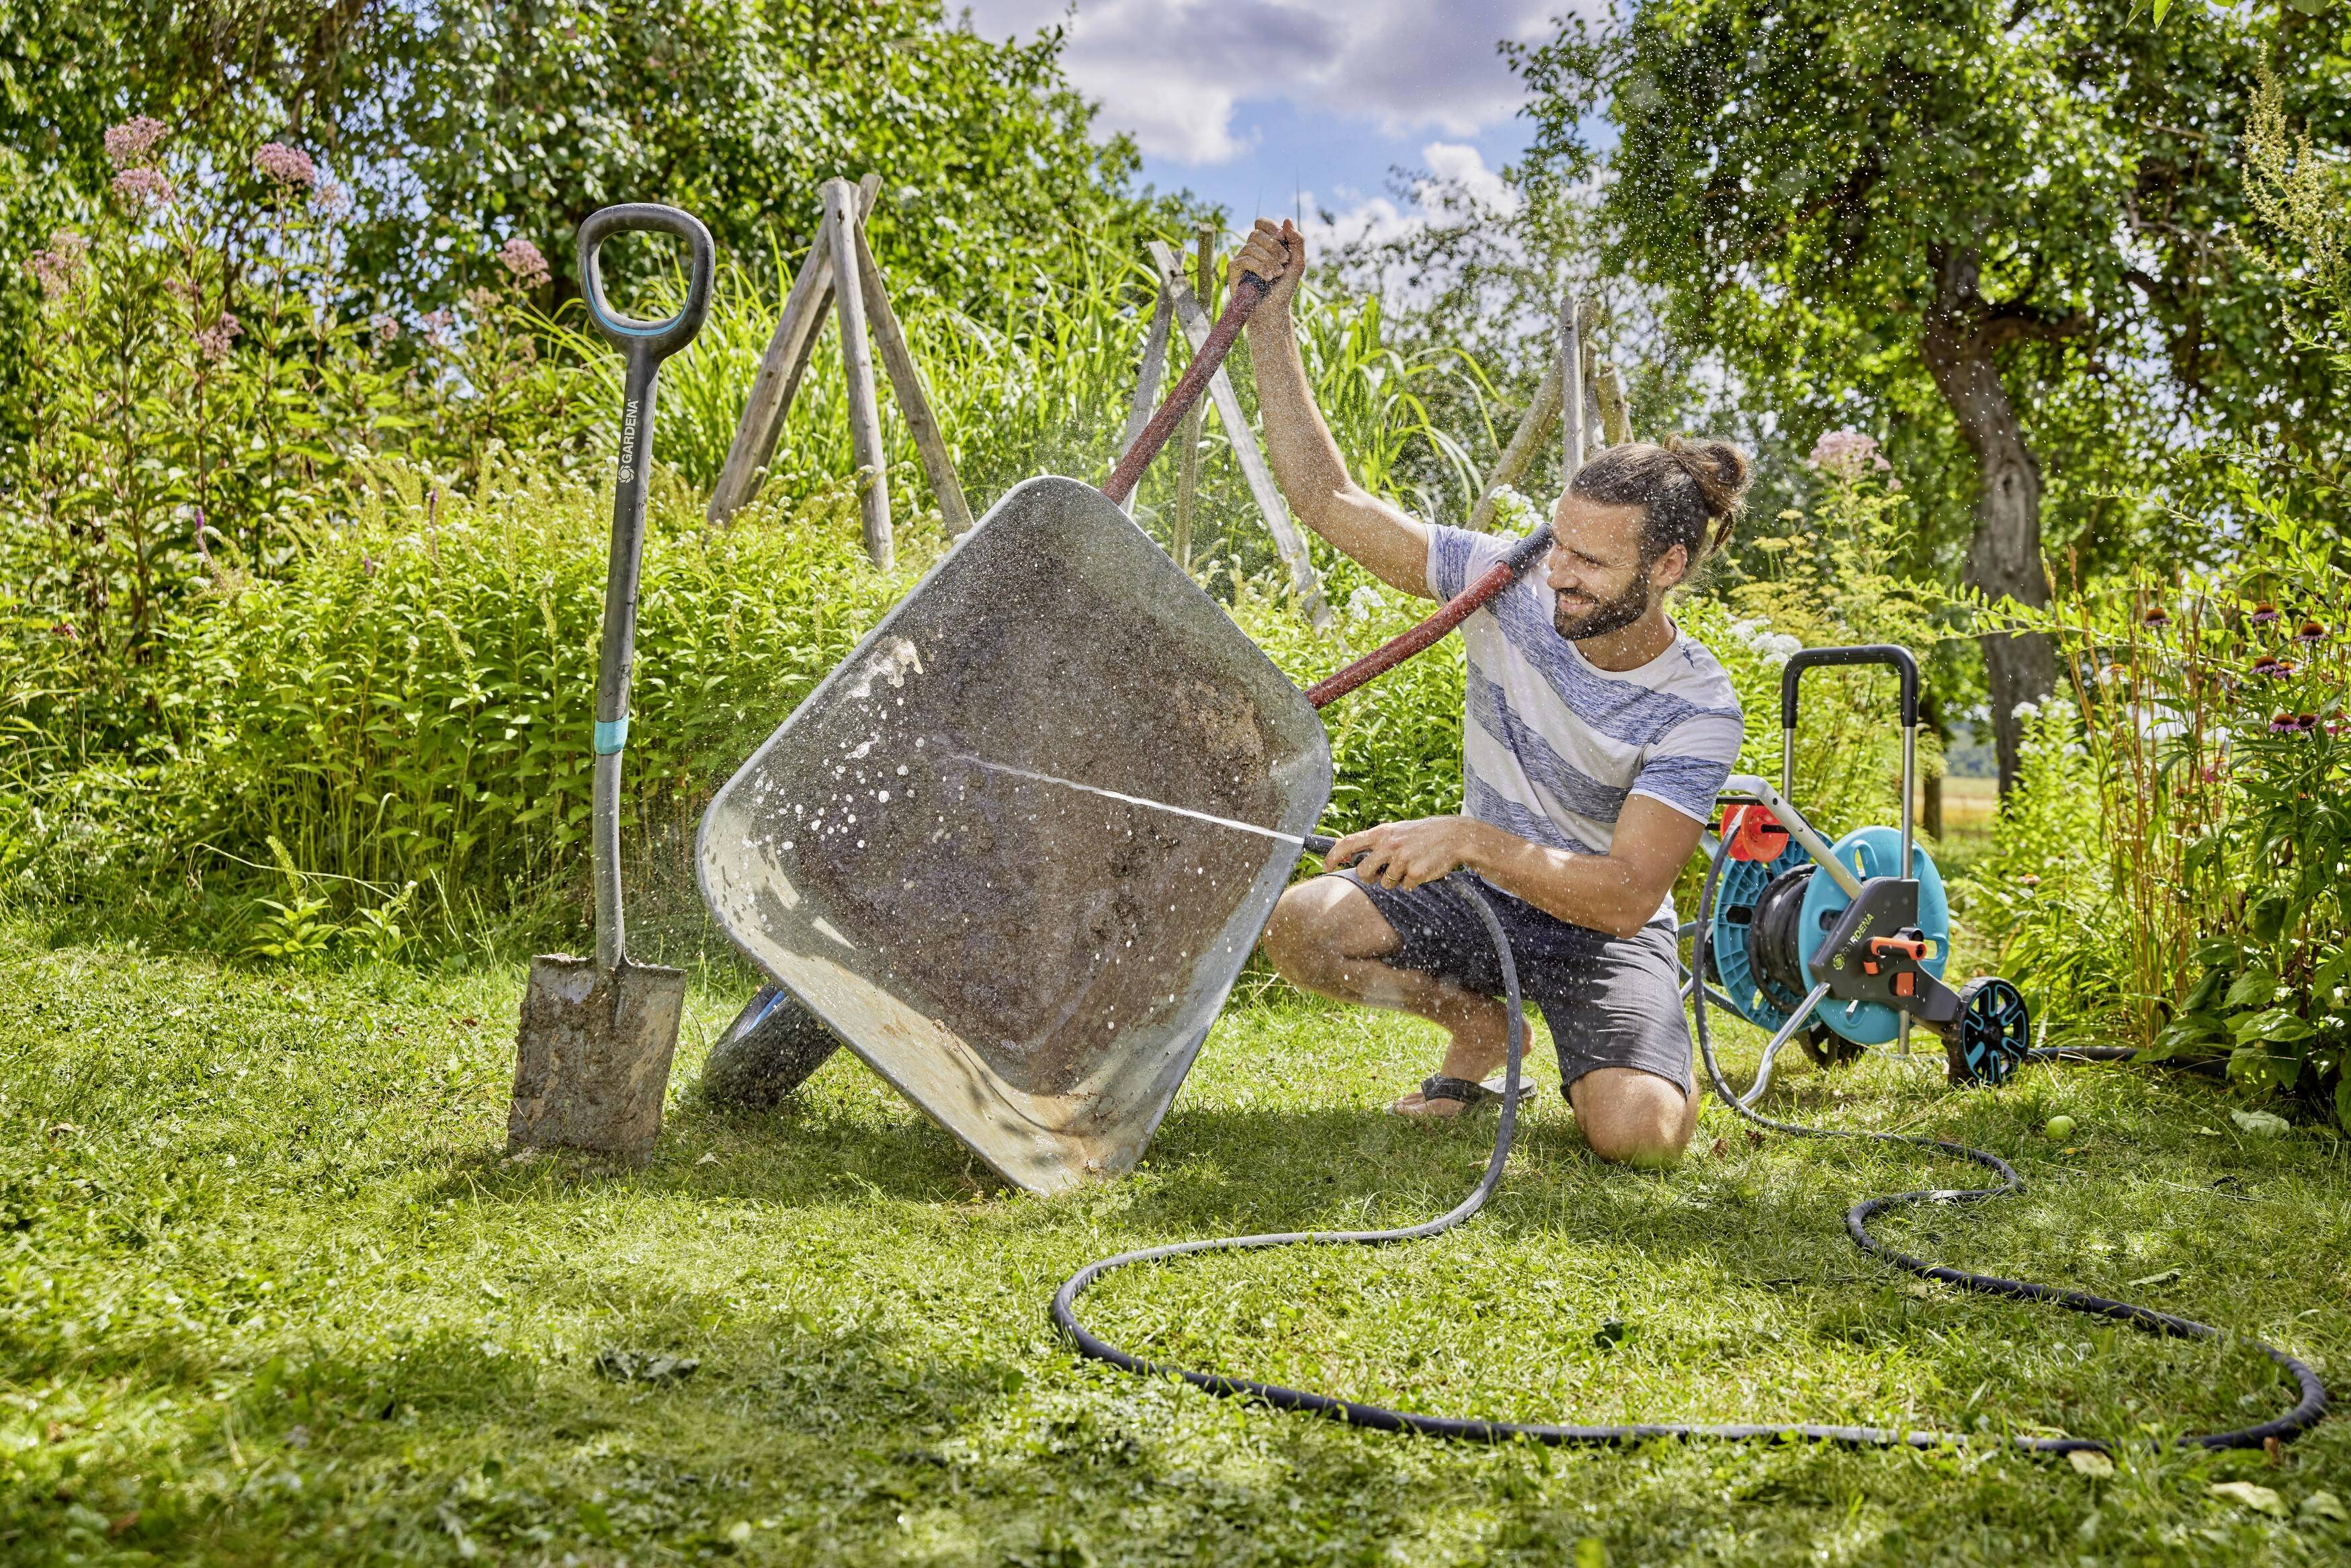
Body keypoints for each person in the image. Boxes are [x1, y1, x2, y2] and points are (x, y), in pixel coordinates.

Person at [1236, 218, 1750, 1166]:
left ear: (1669, 566)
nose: (1559, 576)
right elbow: (1329, 501)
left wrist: (1469, 837)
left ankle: (1618, 1038)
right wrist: (1271, 326)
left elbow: (1631, 892)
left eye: (1593, 563)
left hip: (1602, 929)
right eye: (1560, 545)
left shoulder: (1698, 704)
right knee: (1305, 928)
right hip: (1488, 903)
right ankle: (1483, 1030)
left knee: (1641, 1139)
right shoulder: (1503, 580)